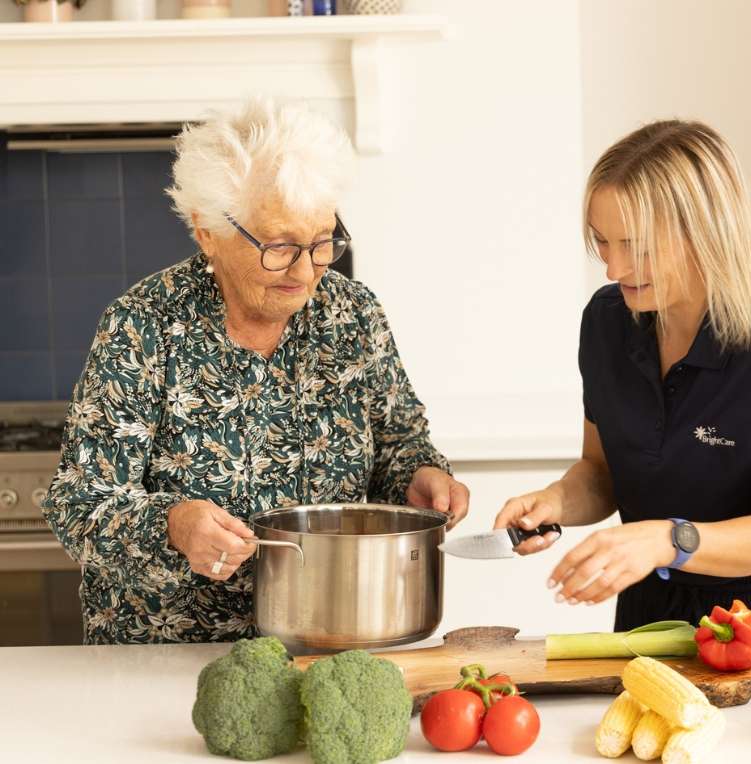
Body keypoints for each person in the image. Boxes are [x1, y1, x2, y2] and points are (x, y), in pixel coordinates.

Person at [43, 98, 468, 644]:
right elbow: (80, 503)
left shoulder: (354, 315)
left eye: (321, 242)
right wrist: (172, 526)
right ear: (207, 232)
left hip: (328, 642)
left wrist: (421, 477)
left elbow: (398, 445)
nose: (305, 269)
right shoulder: (143, 327)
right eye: (279, 246)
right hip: (167, 658)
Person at [494, 120, 751, 630]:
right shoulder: (606, 322)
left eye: (637, 246)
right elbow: (601, 473)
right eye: (602, 242)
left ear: (706, 233)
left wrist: (666, 540)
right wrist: (555, 501)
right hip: (651, 613)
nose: (613, 269)